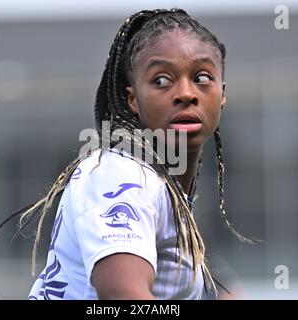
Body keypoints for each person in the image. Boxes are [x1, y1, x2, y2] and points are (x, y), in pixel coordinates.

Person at [22, 8, 258, 300]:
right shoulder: (121, 174)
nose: (186, 93)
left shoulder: (164, 186)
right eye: (161, 80)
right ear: (133, 99)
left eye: (201, 77)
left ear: (222, 94)